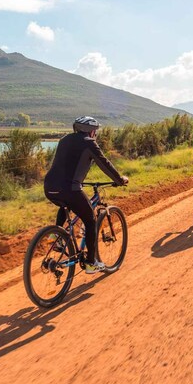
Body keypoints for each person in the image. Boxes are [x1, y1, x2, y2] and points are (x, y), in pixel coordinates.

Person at [43, 116, 129, 274]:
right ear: (91, 131)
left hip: (49, 186)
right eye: (95, 130)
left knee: (65, 204)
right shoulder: (89, 143)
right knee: (90, 219)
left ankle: (56, 235)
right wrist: (119, 179)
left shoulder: (64, 140)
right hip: (70, 188)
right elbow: (104, 163)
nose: (95, 133)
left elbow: (68, 165)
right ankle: (90, 263)